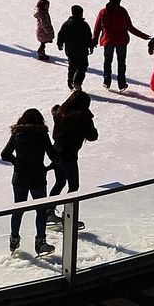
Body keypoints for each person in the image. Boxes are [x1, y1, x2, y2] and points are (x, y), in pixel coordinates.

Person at [0, 108, 58, 256]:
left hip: (20, 178)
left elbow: (5, 154)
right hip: (37, 178)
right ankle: (40, 242)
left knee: (18, 210)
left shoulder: (17, 134)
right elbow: (54, 157)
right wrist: (48, 168)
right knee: (40, 210)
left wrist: (17, 163)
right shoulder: (42, 135)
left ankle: (14, 238)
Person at [48, 90, 98, 229]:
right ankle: (68, 217)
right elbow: (93, 135)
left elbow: (54, 109)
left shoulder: (59, 113)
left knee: (59, 182)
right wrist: (88, 117)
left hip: (56, 152)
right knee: (74, 186)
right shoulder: (81, 117)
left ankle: (48, 212)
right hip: (68, 155)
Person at [93, 0, 149, 92]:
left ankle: (106, 82)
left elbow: (97, 28)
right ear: (120, 0)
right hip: (121, 41)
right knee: (121, 63)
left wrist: (94, 41)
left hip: (108, 40)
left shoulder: (103, 12)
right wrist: (143, 36)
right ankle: (121, 84)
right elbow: (130, 27)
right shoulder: (122, 12)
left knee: (107, 61)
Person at [56, 5, 96, 90]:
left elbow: (61, 35)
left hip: (70, 50)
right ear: (80, 13)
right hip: (82, 50)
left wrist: (59, 44)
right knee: (82, 67)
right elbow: (88, 37)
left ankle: (70, 83)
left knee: (72, 67)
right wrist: (91, 46)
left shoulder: (66, 24)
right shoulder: (84, 25)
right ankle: (77, 82)